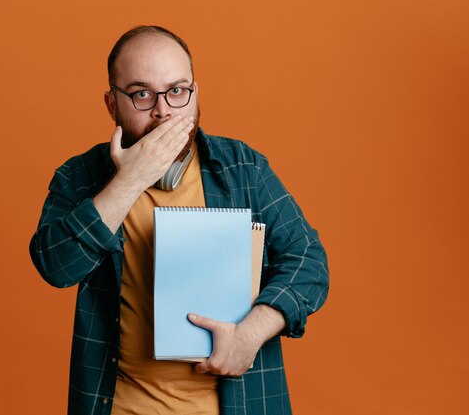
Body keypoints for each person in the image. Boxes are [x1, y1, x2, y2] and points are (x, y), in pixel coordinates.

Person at [30, 25, 329, 415]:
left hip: (239, 404)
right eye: (141, 94)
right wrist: (131, 180)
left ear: (195, 93)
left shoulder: (243, 168)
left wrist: (251, 333)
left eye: (177, 91)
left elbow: (308, 260)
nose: (164, 111)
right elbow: (55, 265)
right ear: (111, 104)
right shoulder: (80, 177)